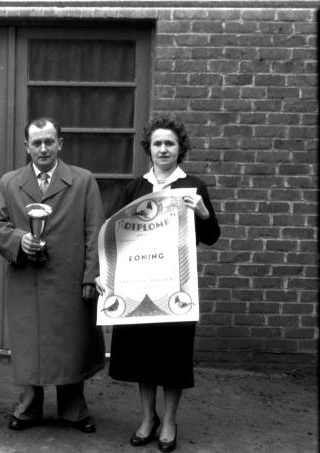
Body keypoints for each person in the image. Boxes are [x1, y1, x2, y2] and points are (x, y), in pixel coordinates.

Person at [98, 115, 220, 453]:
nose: (163, 149)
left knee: (172, 357)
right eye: (157, 144)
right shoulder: (135, 188)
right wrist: (106, 275)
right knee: (142, 356)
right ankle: (147, 418)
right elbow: (117, 238)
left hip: (176, 287)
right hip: (139, 286)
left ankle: (169, 420)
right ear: (148, 149)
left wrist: (203, 214)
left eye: (170, 143)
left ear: (180, 148)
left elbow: (211, 237)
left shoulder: (193, 186)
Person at [0, 117, 105, 434]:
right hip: (28, 277)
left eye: (49, 141)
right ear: (26, 146)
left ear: (60, 144)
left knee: (72, 344)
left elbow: (95, 232)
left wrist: (91, 277)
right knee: (29, 345)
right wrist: (19, 241)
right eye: (36, 143)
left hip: (70, 277)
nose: (43, 148)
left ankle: (73, 409)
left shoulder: (83, 180)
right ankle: (27, 408)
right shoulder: (10, 182)